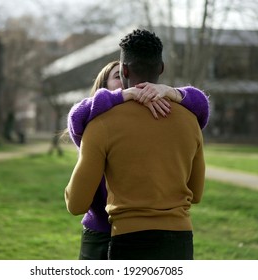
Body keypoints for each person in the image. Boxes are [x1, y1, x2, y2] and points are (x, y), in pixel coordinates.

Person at [65, 29, 206, 260]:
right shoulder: (190, 120)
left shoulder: (101, 124)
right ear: (161, 68)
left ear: (124, 70)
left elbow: (76, 204)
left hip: (129, 240)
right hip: (180, 243)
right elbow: (196, 193)